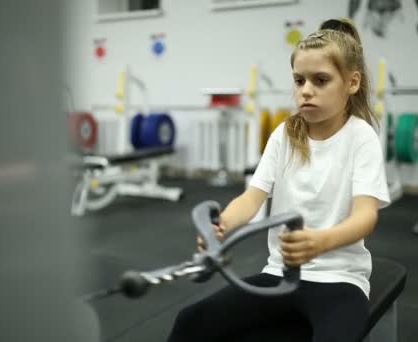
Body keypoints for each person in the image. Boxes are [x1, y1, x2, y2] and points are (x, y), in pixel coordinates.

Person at [167, 17, 390, 342]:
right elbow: (252, 198)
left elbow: (366, 216)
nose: (306, 91)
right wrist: (223, 227)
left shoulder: (361, 137)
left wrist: (321, 241)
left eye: (320, 80)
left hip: (341, 281)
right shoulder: (285, 134)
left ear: (352, 83)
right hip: (280, 276)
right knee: (191, 321)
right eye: (299, 81)